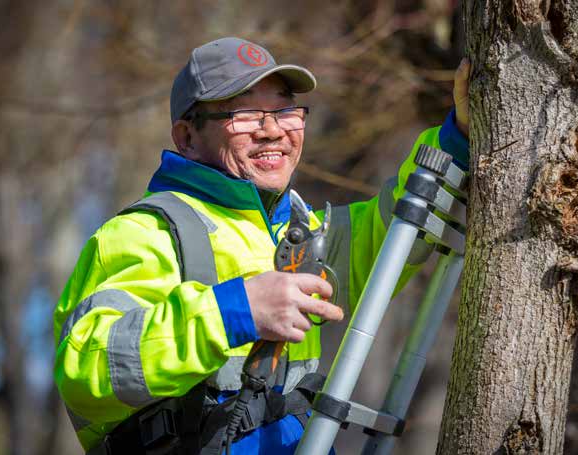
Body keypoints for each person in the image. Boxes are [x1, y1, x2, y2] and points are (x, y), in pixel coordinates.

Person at [53, 37, 470, 455]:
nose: (272, 130)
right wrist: (236, 310)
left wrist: (459, 136)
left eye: (285, 110)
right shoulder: (144, 233)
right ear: (187, 137)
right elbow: (88, 367)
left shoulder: (303, 233)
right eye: (245, 113)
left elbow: (396, 225)